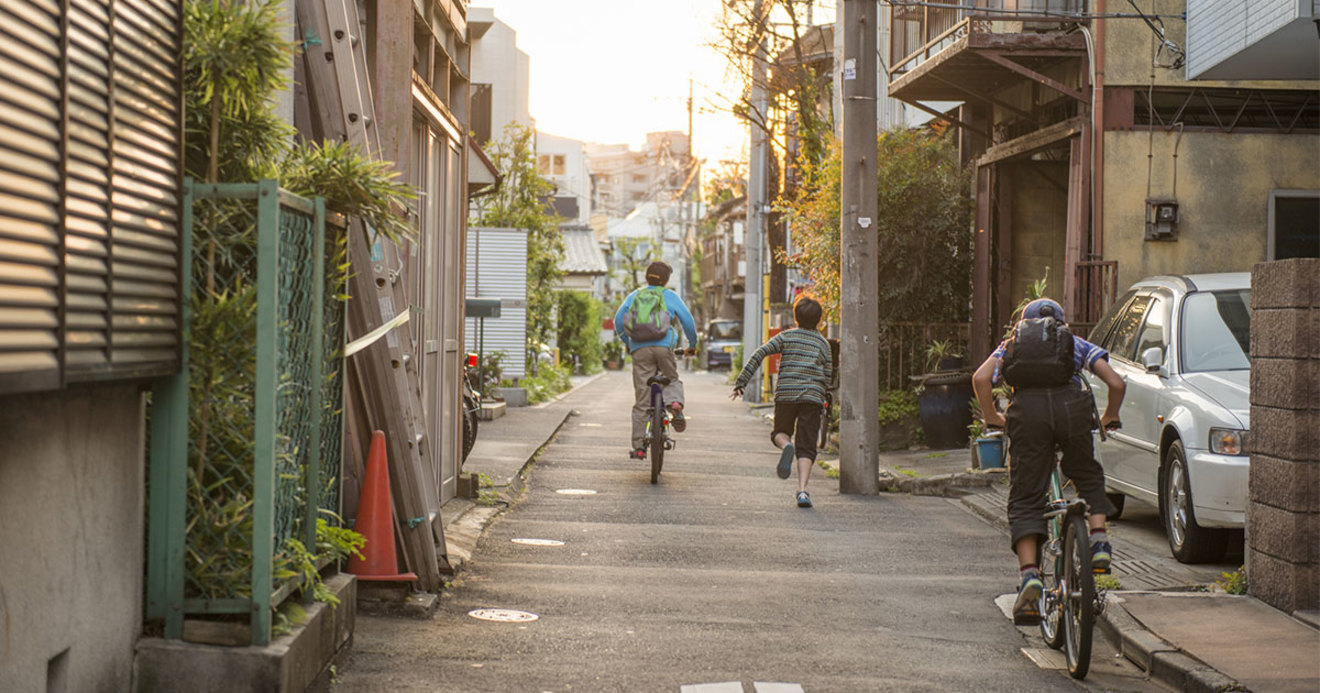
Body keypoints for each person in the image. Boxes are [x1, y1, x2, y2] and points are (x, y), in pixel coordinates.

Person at [971, 297, 1126, 625]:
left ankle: (1030, 578)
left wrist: (992, 417)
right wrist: (1110, 414)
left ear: (1022, 325)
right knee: (1088, 475)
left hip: (1028, 415)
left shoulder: (1011, 344)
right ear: (1061, 323)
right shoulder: (1074, 343)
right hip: (1071, 410)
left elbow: (981, 378)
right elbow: (1116, 382)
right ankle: (1098, 541)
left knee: (1026, 498)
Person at [730, 295, 833, 508]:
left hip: (786, 394)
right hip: (812, 398)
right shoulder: (823, 344)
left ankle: (787, 445)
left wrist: (742, 381)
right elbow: (828, 374)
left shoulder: (786, 337)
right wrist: (822, 392)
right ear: (820, 319)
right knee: (807, 447)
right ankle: (803, 491)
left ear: (795, 318)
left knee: (779, 432)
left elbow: (760, 353)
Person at [614, 261, 698, 460]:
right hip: (664, 347)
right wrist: (692, 345)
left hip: (639, 349)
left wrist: (629, 342)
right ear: (666, 280)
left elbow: (619, 320)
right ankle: (675, 403)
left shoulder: (634, 295)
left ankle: (639, 447)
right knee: (671, 378)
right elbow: (688, 322)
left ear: (647, 277)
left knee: (642, 400)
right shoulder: (670, 296)